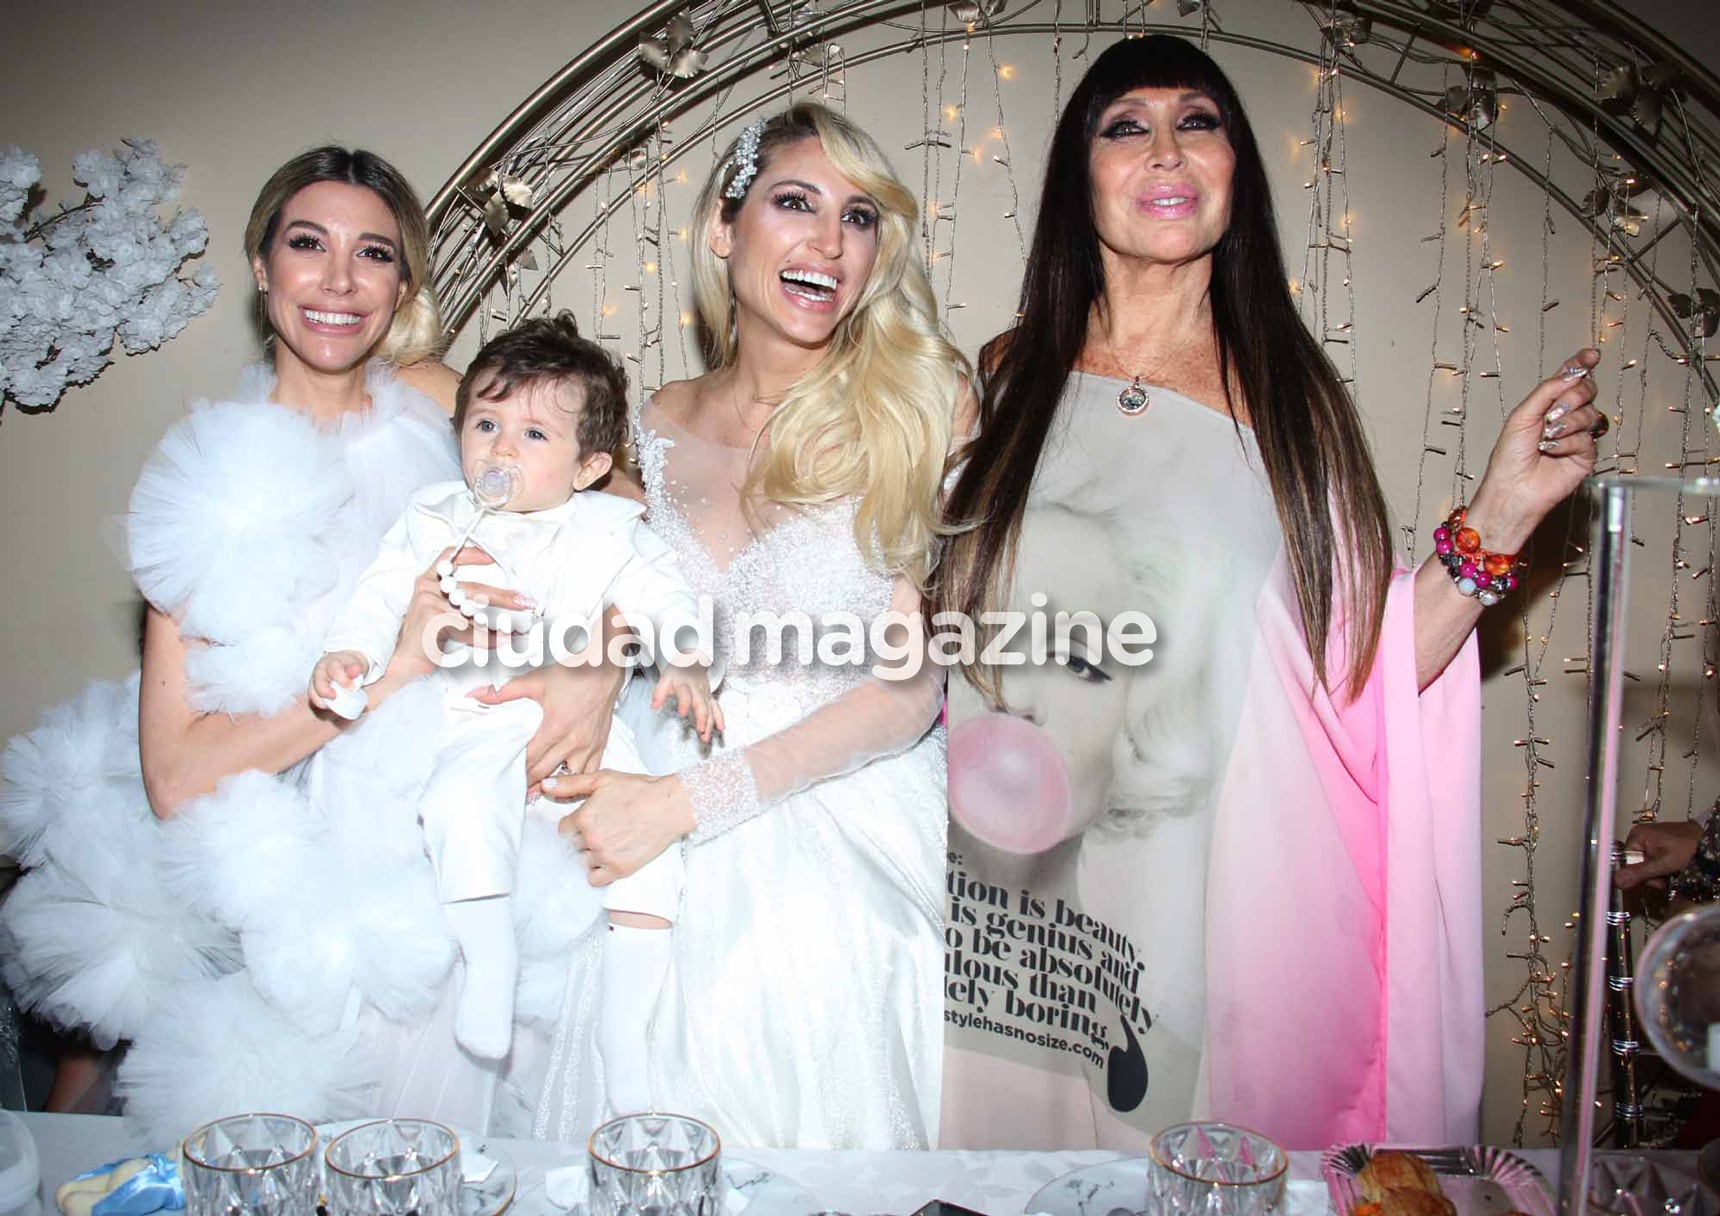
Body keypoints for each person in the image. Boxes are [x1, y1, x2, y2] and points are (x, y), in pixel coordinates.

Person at [934, 35, 1606, 1151]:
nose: (1165, 147)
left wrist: (1502, 516)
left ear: (1237, 171)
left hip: (1201, 914)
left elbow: (1362, 667)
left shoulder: (1288, 405)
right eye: (1124, 124)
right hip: (1006, 911)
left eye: (1199, 121)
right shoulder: (1002, 379)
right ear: (1077, 175)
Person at [0, 148, 621, 1141]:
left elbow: (617, 521)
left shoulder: (448, 406)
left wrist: (594, 669)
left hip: (484, 852)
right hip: (320, 906)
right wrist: (392, 670)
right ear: (262, 266)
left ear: (402, 283)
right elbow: (178, 777)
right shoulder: (212, 481)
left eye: (372, 252)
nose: (339, 280)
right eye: (307, 244)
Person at [536, 102, 970, 1149]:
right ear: (723, 230)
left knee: (789, 985)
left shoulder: (928, 402)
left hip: (841, 809)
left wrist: (691, 802)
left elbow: (910, 690)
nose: (829, 240)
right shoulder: (650, 424)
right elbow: (617, 595)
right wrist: (595, 664)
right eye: (794, 203)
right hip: (653, 782)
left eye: (859, 217)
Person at [310, 312, 718, 1109]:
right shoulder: (436, 516)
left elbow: (666, 597)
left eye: (533, 435)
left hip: (588, 731)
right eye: (486, 424)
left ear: (590, 464)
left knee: (650, 854)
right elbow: (382, 589)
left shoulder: (608, 529)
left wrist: (691, 659)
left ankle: (624, 1038)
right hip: (481, 710)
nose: (498, 449)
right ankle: (487, 965)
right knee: (457, 804)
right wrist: (349, 650)